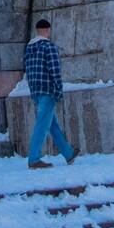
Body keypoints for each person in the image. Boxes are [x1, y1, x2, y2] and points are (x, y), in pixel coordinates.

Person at [24, 18, 78, 170]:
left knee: (52, 125)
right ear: (48, 30)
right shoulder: (49, 47)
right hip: (48, 91)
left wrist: (33, 90)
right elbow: (55, 71)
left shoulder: (29, 49)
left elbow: (28, 72)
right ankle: (34, 159)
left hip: (36, 91)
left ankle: (68, 153)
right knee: (42, 125)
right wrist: (58, 91)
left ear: (37, 30)